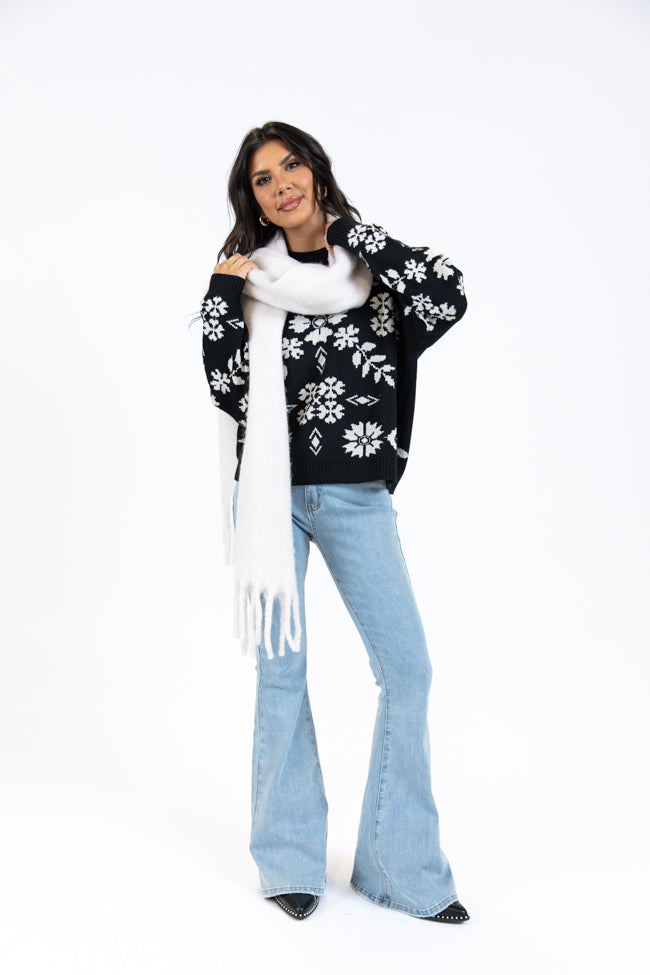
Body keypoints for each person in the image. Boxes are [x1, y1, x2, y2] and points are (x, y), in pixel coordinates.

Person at [199, 121, 469, 923]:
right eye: (262, 179)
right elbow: (227, 382)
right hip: (270, 499)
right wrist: (222, 291)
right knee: (281, 671)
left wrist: (354, 233)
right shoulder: (254, 278)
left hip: (356, 496)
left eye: (291, 166)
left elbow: (447, 294)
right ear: (253, 201)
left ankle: (398, 867)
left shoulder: (368, 273)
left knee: (408, 671)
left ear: (316, 172)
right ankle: (288, 860)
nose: (280, 184)